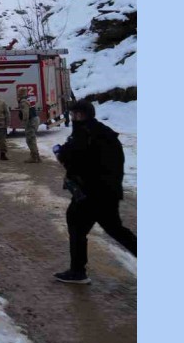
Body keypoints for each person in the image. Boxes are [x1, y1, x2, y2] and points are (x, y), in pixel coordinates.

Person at [53, 100, 137, 284]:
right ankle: (77, 270)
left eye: (77, 114)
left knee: (78, 226)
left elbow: (77, 161)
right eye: (73, 114)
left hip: (92, 194)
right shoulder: (99, 131)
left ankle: (77, 272)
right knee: (115, 229)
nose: (74, 118)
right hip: (104, 193)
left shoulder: (87, 134)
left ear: (85, 115)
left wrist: (62, 155)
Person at [18, 87, 42, 163]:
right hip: (35, 119)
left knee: (29, 140)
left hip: (31, 121)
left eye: (18, 92)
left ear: (21, 93)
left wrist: (24, 122)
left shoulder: (23, 101)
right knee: (32, 138)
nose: (17, 94)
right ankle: (37, 156)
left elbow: (25, 113)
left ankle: (34, 157)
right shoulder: (29, 98)